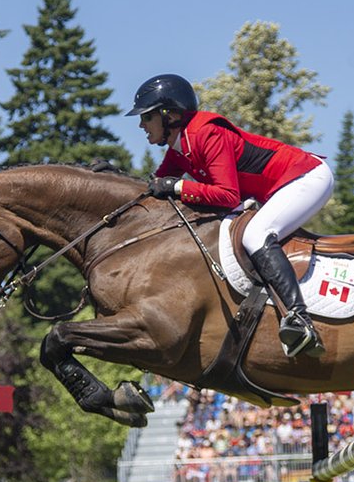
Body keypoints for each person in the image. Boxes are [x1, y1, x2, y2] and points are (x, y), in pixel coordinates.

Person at [128, 73, 332, 358]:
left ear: (170, 114)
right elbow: (155, 186)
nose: (141, 124)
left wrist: (178, 186)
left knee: (256, 235)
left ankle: (299, 319)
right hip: (279, 187)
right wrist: (113, 178)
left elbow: (227, 196)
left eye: (147, 117)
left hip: (306, 177)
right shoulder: (180, 147)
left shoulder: (206, 133)